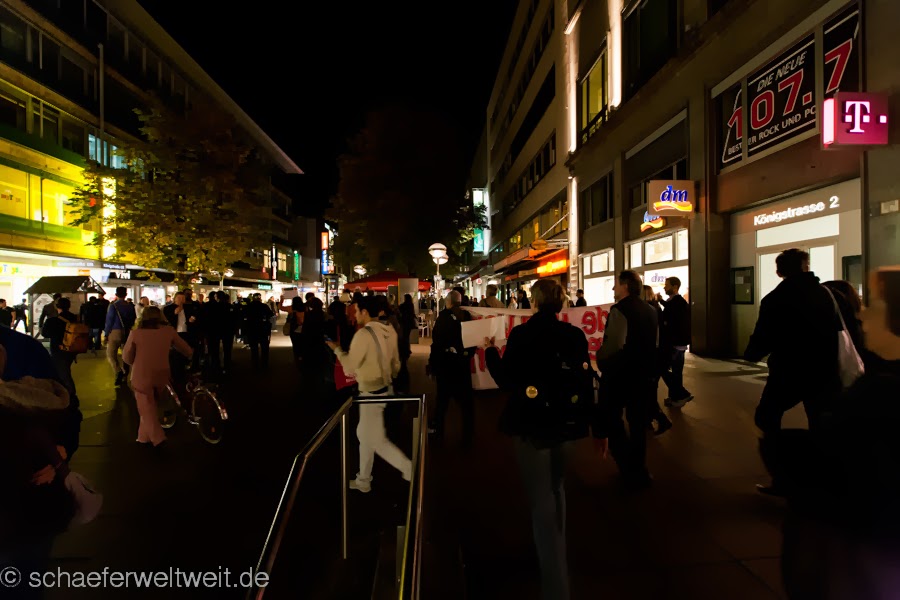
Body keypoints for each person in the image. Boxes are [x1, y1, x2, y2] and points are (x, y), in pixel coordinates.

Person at [483, 279, 603, 600]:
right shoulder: (574, 335)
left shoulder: (522, 335)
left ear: (534, 302)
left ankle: (555, 584)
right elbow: (585, 380)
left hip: (532, 425)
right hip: (568, 423)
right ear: (561, 303)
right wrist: (597, 426)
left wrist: (491, 352)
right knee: (556, 487)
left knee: (541, 501)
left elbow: (506, 379)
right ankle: (555, 546)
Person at [744, 249, 841, 496]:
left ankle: (784, 475)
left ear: (779, 272)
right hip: (824, 370)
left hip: (789, 370)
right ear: (805, 267)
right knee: (819, 421)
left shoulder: (776, 298)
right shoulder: (825, 294)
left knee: (767, 417)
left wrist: (752, 353)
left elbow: (764, 334)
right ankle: (824, 478)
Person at [327, 296, 411, 493]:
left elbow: (350, 367)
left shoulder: (363, 334)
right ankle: (363, 479)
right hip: (384, 388)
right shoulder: (389, 330)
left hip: (369, 391)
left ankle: (409, 469)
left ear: (365, 312)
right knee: (366, 435)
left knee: (374, 439)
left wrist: (337, 350)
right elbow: (396, 364)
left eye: (357, 311)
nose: (355, 315)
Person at [593, 270, 659, 490]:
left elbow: (614, 345)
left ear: (625, 286)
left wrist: (601, 359)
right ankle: (639, 468)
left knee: (612, 417)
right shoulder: (650, 310)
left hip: (620, 374)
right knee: (638, 422)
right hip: (642, 374)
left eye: (616, 284)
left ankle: (627, 465)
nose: (614, 288)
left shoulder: (619, 310)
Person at [122, 306, 193, 447]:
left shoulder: (136, 333)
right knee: (150, 406)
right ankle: (143, 437)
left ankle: (158, 438)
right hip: (162, 374)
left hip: (142, 374)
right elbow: (187, 350)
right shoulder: (168, 331)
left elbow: (127, 357)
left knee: (146, 407)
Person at [428, 290, 475, 448]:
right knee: (466, 404)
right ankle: (468, 435)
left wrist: (433, 365)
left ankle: (438, 431)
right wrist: (466, 355)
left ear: (448, 302)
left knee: (442, 401)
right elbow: (472, 340)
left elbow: (436, 343)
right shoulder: (466, 316)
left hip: (446, 366)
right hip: (462, 366)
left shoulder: (443, 318)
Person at [660, 277, 694, 408]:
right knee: (676, 372)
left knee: (664, 369)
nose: (664, 287)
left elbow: (671, 318)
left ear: (675, 287)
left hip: (675, 343)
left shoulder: (677, 303)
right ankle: (675, 398)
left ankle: (681, 394)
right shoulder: (676, 302)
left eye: (667, 285)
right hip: (679, 343)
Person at [40, 297, 80, 398]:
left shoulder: (52, 320)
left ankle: (71, 395)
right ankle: (67, 393)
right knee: (65, 369)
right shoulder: (75, 318)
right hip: (72, 349)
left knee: (63, 373)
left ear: (57, 307)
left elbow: (45, 333)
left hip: (58, 349)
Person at [104, 287, 137, 387]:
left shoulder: (113, 306)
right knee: (125, 354)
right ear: (126, 294)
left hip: (115, 331)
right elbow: (133, 319)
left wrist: (106, 334)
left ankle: (118, 371)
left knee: (111, 354)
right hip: (127, 332)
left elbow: (109, 320)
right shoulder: (130, 306)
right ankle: (126, 374)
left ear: (116, 294)